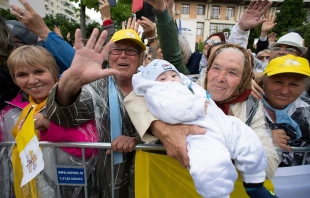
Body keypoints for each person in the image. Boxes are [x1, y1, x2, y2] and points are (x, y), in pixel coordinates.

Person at [132, 59, 276, 198]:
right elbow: (164, 105)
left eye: (232, 72)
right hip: (201, 134)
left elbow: (270, 157)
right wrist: (193, 107)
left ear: (244, 76)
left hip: (224, 125)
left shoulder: (252, 104)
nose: (221, 77)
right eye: (216, 68)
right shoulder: (160, 92)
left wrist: (234, 154)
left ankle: (254, 183)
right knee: (209, 165)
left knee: (248, 138)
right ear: (207, 69)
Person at [44, 27, 145, 198]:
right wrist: (69, 85)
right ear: (108, 55)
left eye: (131, 50)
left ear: (141, 58)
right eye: (116, 49)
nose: (123, 55)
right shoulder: (97, 87)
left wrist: (136, 138)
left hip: (147, 173)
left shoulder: (154, 86)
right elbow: (65, 117)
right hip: (108, 177)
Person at [0, 45, 98, 198]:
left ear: (53, 71)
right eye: (22, 75)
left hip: (71, 189)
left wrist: (49, 127)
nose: (32, 80)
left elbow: (91, 149)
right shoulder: (8, 113)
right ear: (14, 79)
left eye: (39, 71)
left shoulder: (74, 104)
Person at [262, 54, 310, 166]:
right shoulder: (247, 105)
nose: (284, 91)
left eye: (293, 84)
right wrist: (264, 138)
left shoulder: (306, 111)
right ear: (264, 81)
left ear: (304, 87)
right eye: (278, 82)